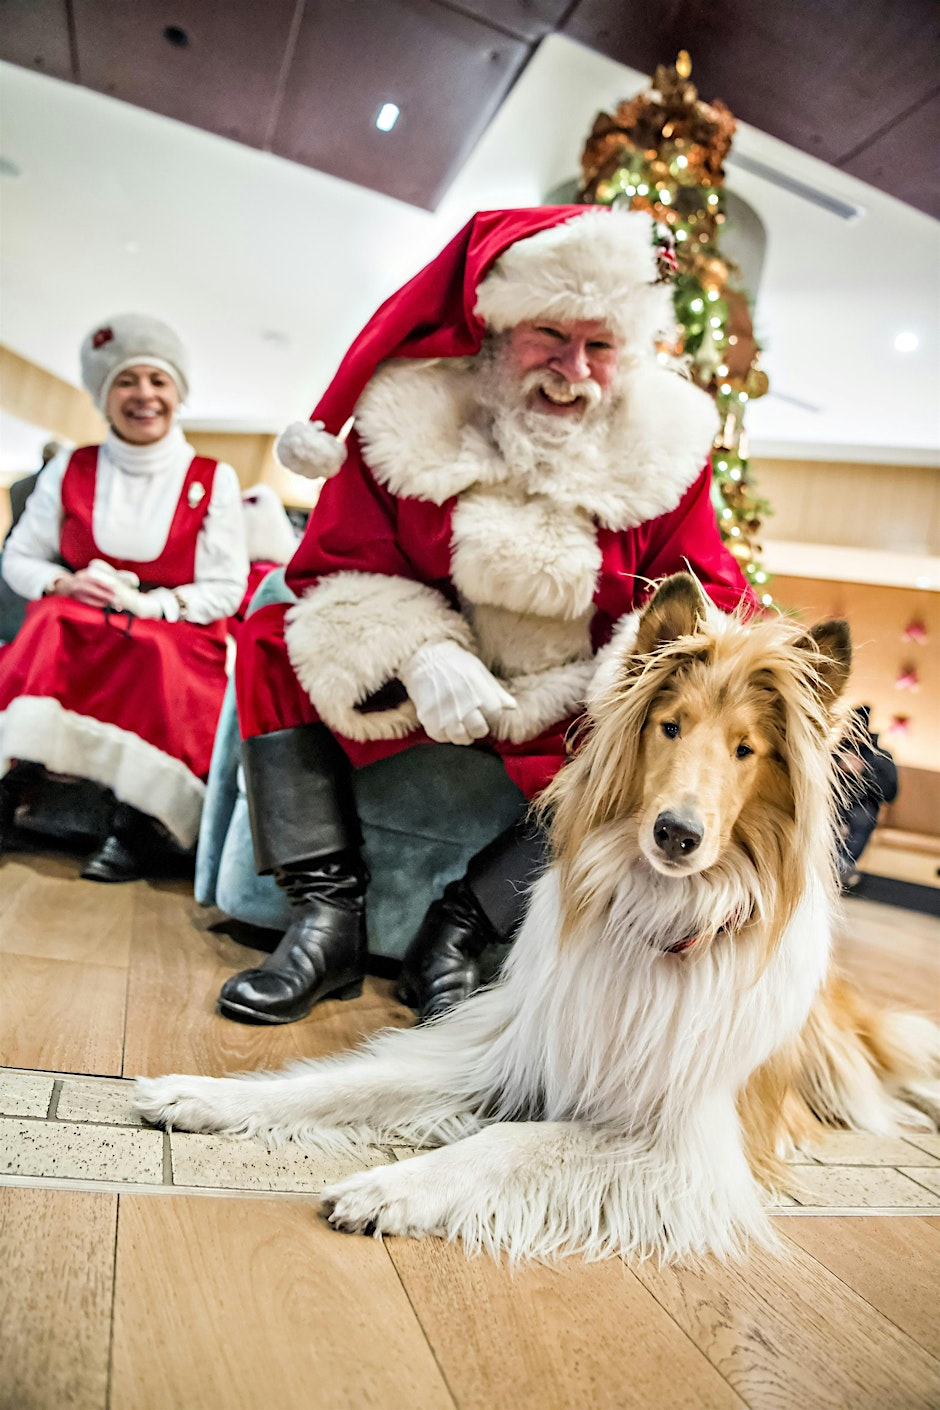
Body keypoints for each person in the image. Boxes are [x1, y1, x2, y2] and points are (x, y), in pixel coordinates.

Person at [220, 205, 755, 1027]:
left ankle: (459, 933)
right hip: (421, 684)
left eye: (600, 346)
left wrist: (615, 689)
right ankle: (326, 921)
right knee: (272, 637)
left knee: (643, 737)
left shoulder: (664, 449)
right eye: (551, 335)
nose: (573, 370)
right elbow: (335, 563)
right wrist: (420, 651)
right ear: (499, 330)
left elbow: (709, 602)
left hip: (563, 700)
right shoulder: (407, 421)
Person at [0, 314, 248, 879]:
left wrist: (155, 607)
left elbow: (227, 588)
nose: (143, 395)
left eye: (158, 381)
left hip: (176, 626)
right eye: (126, 381)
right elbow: (19, 557)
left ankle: (139, 824)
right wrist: (62, 582)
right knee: (50, 623)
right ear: (104, 396)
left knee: (154, 652)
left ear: (177, 393)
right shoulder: (71, 467)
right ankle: (14, 786)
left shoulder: (214, 479)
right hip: (82, 612)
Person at [835, 705, 898, 889]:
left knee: (862, 818)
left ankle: (841, 867)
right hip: (832, 806)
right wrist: (836, 767)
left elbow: (890, 793)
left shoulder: (881, 757)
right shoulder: (834, 753)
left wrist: (863, 771)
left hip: (863, 807)